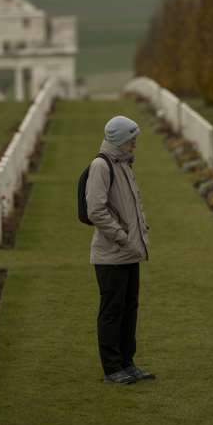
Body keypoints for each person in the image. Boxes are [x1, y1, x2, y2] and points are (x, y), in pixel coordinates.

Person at [85, 115, 154, 385]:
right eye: (131, 138)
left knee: (129, 309)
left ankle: (128, 363)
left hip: (130, 252)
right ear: (120, 140)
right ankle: (112, 368)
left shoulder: (124, 164)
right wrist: (122, 237)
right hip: (111, 255)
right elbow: (96, 210)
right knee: (113, 311)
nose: (135, 143)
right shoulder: (101, 166)